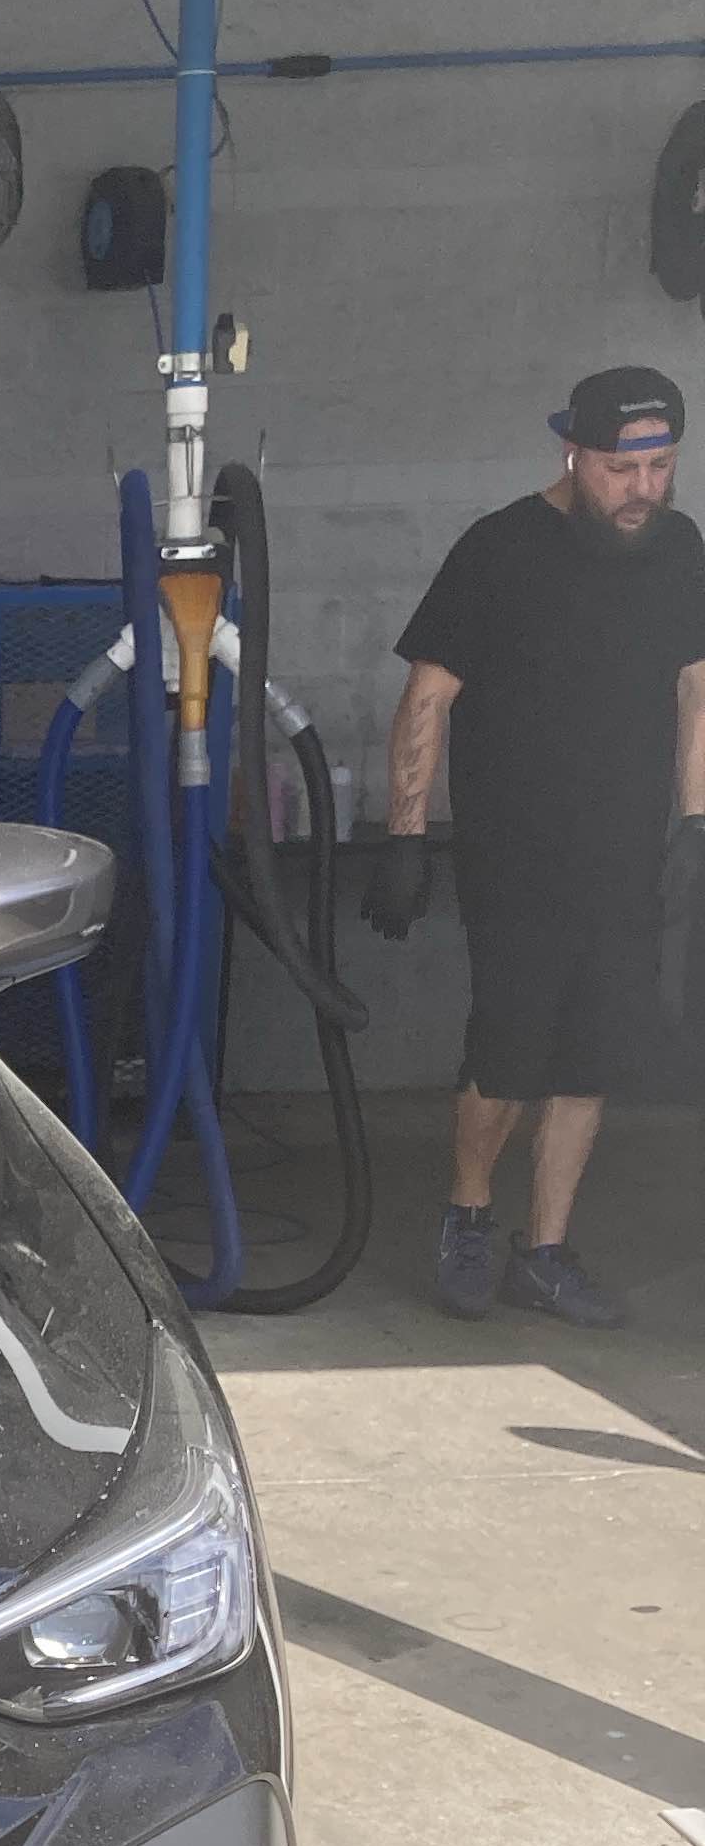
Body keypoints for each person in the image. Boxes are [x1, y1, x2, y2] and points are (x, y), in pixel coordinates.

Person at [369, 365, 705, 1325]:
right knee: (510, 1050)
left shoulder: (680, 549)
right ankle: (469, 1216)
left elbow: (697, 687)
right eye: (620, 469)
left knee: (591, 1054)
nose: (642, 490)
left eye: (660, 468)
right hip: (514, 853)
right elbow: (427, 696)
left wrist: (695, 823)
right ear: (572, 452)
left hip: (625, 855)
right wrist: (405, 838)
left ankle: (545, 1252)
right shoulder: (499, 549)